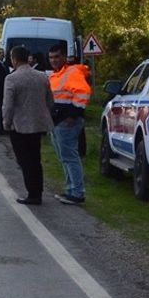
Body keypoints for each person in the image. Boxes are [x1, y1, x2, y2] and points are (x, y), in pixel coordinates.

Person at [2, 46, 54, 205]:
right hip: (37, 124)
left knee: (24, 160)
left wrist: (6, 122)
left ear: (14, 59)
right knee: (35, 158)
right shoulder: (42, 76)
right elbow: (50, 100)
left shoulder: (11, 78)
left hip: (20, 126)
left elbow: (8, 105)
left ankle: (32, 193)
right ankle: (37, 191)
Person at [48, 42, 91, 204]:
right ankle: (71, 190)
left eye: (57, 57)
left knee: (70, 157)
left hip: (67, 122)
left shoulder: (71, 72)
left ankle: (77, 192)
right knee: (64, 157)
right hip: (58, 122)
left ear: (65, 57)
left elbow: (83, 93)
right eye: (51, 57)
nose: (54, 60)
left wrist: (73, 114)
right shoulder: (56, 75)